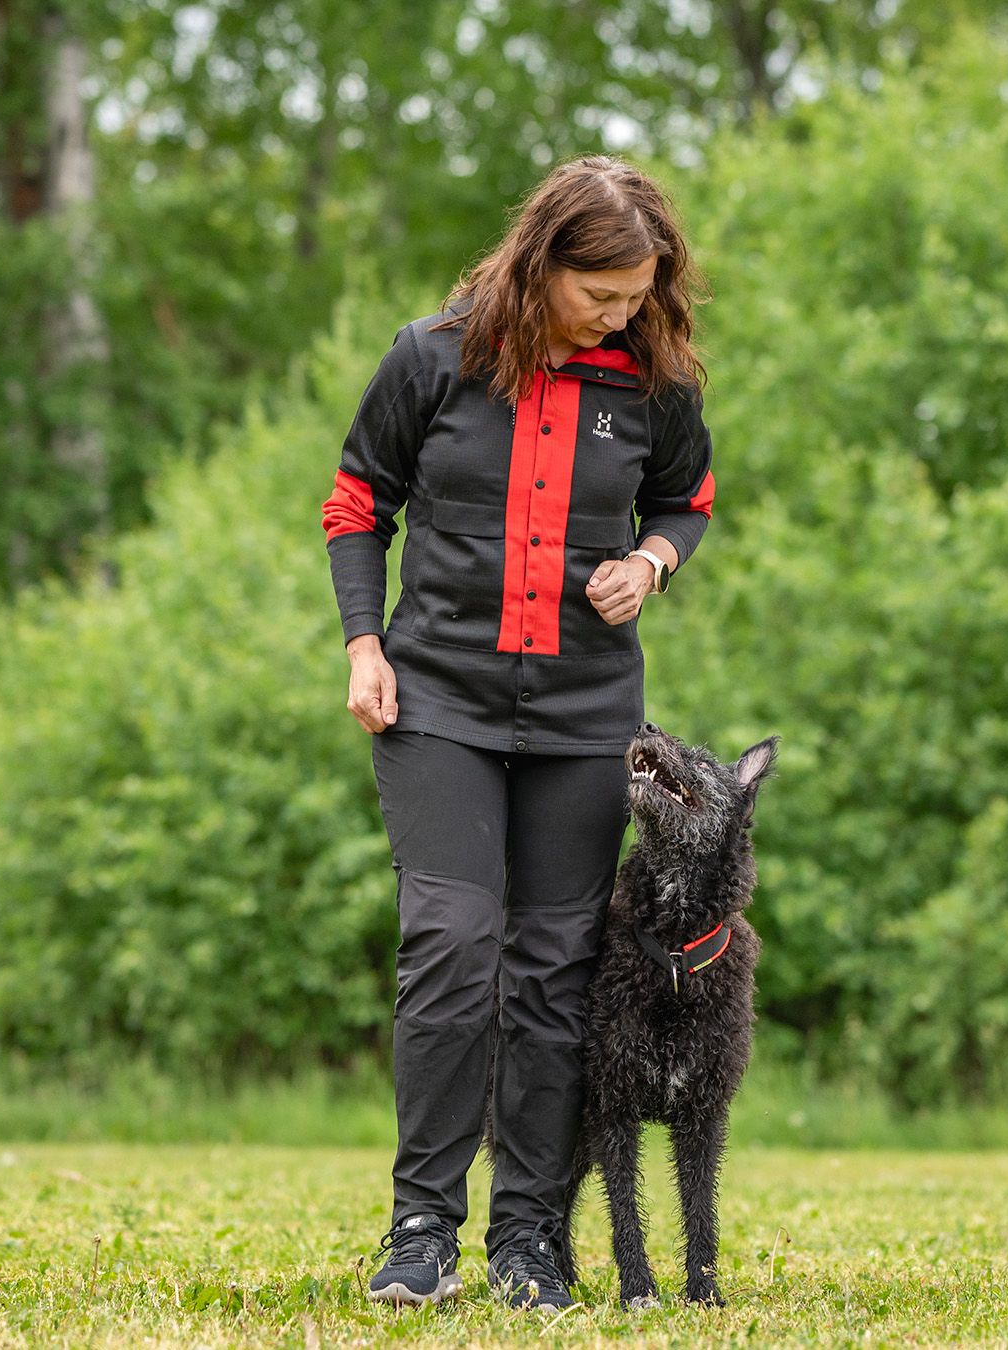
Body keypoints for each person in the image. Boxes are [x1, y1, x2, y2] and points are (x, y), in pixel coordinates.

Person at [319, 156, 715, 1314]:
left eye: (640, 293)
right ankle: (420, 1230)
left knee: (555, 971)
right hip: (435, 698)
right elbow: (357, 501)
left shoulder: (652, 383)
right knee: (450, 943)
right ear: (544, 264)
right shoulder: (429, 357)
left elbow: (685, 502)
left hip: (586, 717)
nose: (624, 313)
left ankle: (530, 1236)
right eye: (604, 293)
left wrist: (648, 562)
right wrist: (362, 644)